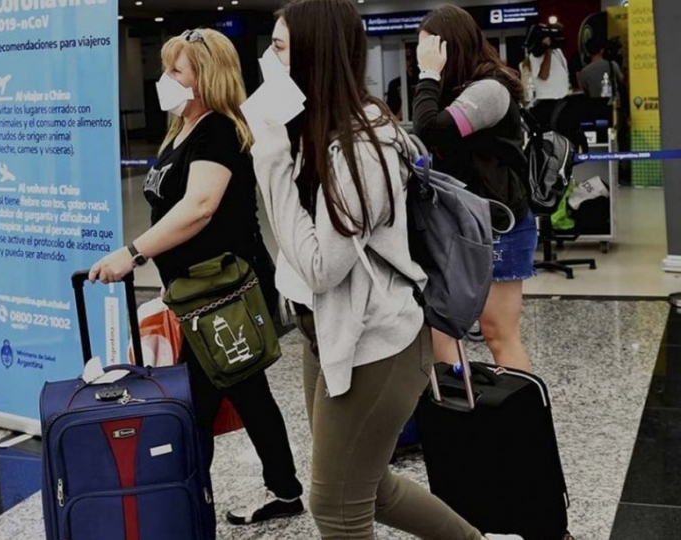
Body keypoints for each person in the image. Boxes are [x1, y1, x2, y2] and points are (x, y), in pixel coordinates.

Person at [250, 1, 522, 539]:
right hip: (328, 331)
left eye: (278, 47)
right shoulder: (314, 127)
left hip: (374, 343)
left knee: (336, 507)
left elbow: (323, 266)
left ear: (314, 54)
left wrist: (271, 160)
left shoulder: (361, 145)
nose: (267, 60)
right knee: (367, 487)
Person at [87, 28, 304, 528]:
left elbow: (200, 206)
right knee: (242, 391)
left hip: (226, 291)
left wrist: (133, 253)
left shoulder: (218, 130)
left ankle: (187, 503)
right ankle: (262, 492)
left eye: (176, 71)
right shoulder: (182, 129)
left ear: (204, 78)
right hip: (199, 290)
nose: (165, 78)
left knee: (203, 399)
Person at [412, 4, 534, 373]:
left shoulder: (490, 90)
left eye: (429, 47)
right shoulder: (454, 90)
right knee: (440, 329)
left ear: (450, 47)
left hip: (499, 224)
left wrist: (428, 74)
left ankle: (520, 406)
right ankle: (463, 402)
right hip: (460, 224)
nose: (422, 55)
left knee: (498, 333)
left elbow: (430, 129)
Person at [528, 29, 570, 129]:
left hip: (562, 99)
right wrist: (548, 51)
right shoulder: (535, 55)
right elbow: (544, 75)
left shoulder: (558, 51)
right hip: (547, 101)